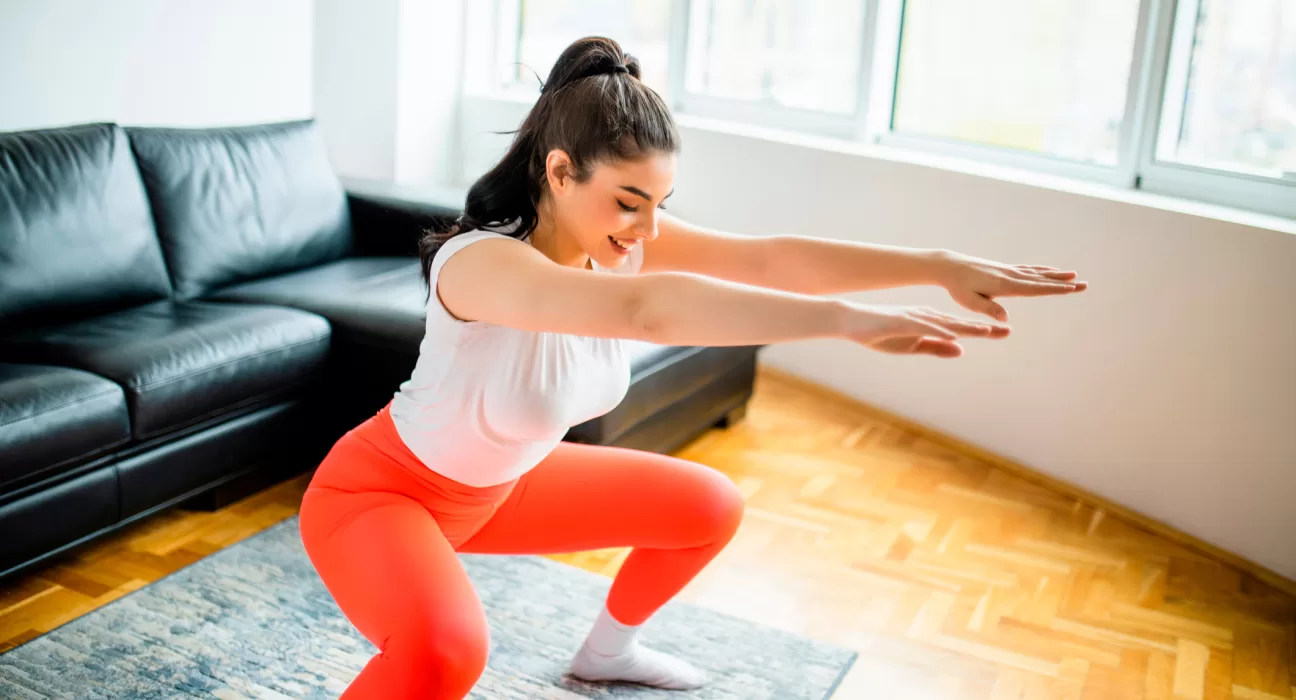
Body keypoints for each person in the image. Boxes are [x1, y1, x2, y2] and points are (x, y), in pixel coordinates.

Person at [297, 36, 1086, 699]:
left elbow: (771, 257)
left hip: (501, 489)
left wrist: (935, 263)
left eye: (660, 203)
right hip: (381, 493)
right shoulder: (481, 266)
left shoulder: (621, 239)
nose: (644, 227)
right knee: (445, 654)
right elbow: (650, 311)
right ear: (561, 170)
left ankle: (606, 654)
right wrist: (845, 324)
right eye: (628, 200)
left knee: (706, 504)